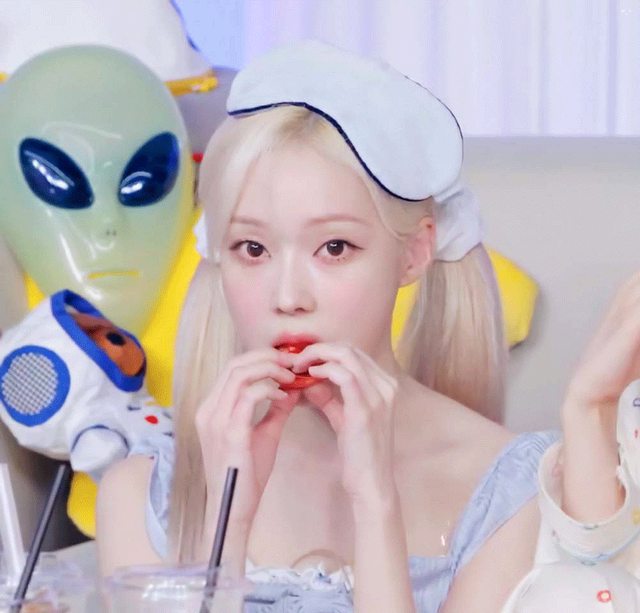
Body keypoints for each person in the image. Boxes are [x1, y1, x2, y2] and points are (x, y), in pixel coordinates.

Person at [96, 40, 559, 612]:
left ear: (414, 253)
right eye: (252, 248)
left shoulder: (514, 493)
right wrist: (227, 525)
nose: (288, 298)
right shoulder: (144, 492)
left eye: (334, 247)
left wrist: (375, 505)